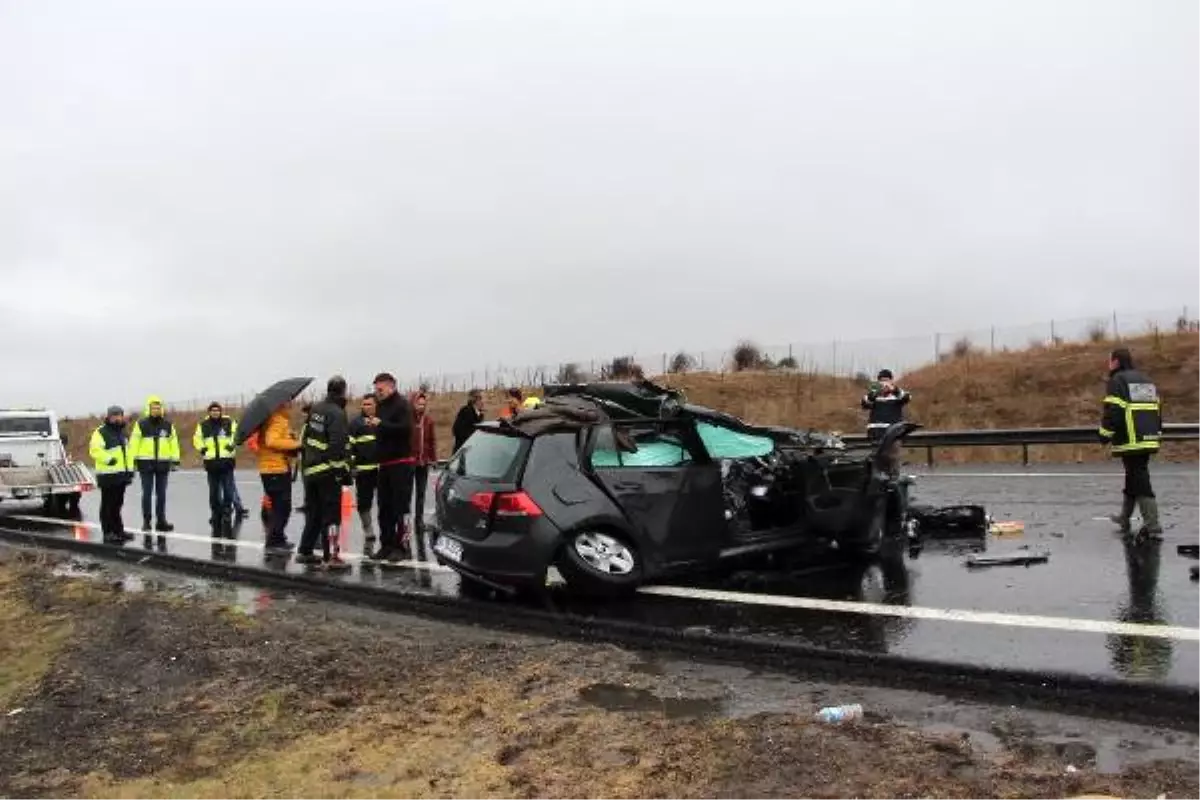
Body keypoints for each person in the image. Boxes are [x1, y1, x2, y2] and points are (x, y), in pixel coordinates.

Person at [1100, 347, 1163, 540]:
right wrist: (1157, 432)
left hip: (1131, 438)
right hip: (1148, 436)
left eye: (1110, 360)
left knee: (1139, 478)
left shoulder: (1117, 381)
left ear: (1116, 361)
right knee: (1134, 475)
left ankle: (1153, 524)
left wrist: (1105, 433)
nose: (1108, 364)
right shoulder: (1146, 380)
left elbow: (1114, 411)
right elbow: (1157, 409)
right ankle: (1124, 517)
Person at [296, 376, 352, 568]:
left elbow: (307, 439)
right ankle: (332, 557)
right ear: (343, 391)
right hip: (327, 472)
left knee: (314, 513)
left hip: (310, 470)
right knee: (332, 516)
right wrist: (340, 472)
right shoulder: (337, 413)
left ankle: (305, 551)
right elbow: (337, 445)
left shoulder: (316, 409)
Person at [367, 372, 414, 562]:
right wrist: (374, 425)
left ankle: (402, 546)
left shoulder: (402, 404)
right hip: (384, 464)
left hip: (401, 463)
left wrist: (382, 424)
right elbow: (383, 430)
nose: (377, 393)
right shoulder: (381, 406)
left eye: (380, 389)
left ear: (391, 386)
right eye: (376, 389)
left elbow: (405, 429)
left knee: (400, 507)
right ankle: (386, 544)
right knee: (384, 506)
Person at [127, 394, 181, 532]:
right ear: (149, 409)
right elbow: (134, 444)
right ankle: (146, 521)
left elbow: (173, 443)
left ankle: (161, 521)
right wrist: (131, 462)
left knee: (161, 494)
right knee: (147, 493)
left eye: (158, 408)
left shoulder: (168, 425)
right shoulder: (141, 424)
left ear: (161, 409)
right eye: (153, 408)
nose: (156, 410)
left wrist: (175, 460)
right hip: (145, 464)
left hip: (163, 464)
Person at [256, 399, 302, 552]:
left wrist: (289, 438)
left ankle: (278, 537)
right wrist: (296, 444)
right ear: (281, 405)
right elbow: (272, 441)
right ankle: (274, 540)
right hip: (275, 469)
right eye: (288, 402)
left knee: (278, 506)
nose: (291, 404)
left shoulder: (273, 419)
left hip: (272, 468)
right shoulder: (277, 419)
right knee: (282, 506)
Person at [88, 405, 134, 544]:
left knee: (117, 504)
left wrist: (130, 470)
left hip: (121, 475)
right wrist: (109, 459)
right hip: (108, 475)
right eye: (114, 415)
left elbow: (128, 453)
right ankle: (108, 532)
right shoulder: (101, 432)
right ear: (108, 417)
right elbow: (95, 450)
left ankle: (118, 530)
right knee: (107, 505)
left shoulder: (122, 432)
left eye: (119, 415)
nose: (117, 418)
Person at [193, 401, 240, 531]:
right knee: (213, 492)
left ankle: (227, 512)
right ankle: (215, 513)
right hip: (211, 462)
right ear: (209, 412)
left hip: (227, 461)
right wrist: (202, 448)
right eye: (213, 411)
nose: (215, 413)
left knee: (228, 490)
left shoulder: (229, 422)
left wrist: (232, 446)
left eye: (217, 410)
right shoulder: (203, 425)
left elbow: (237, 435)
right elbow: (197, 439)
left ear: (221, 412)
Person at [348, 393, 381, 547]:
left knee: (385, 501)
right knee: (364, 501)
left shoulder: (381, 421)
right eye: (364, 404)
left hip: (381, 469)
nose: (366, 407)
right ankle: (368, 529)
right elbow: (349, 447)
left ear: (376, 405)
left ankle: (387, 529)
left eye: (369, 404)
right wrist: (352, 467)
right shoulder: (355, 423)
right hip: (363, 470)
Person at [410, 389, 437, 533]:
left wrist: (433, 459)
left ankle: (419, 521)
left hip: (423, 462)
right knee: (407, 494)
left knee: (421, 494)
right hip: (410, 462)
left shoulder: (429, 421)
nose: (421, 407)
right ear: (413, 404)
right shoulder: (408, 420)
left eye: (423, 404)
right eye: (419, 404)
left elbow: (432, 441)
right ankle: (404, 522)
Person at [861, 369, 911, 441]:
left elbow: (907, 398)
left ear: (891, 381)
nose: (884, 383)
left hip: (893, 434)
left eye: (887, 380)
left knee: (892, 451)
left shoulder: (897, 394)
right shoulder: (873, 395)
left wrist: (894, 390)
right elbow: (864, 404)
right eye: (882, 381)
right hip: (875, 433)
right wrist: (874, 393)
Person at [451, 388, 484, 453]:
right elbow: (456, 430)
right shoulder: (465, 411)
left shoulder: (480, 414)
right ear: (476, 400)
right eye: (482, 399)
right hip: (462, 452)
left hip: (473, 452)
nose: (484, 401)